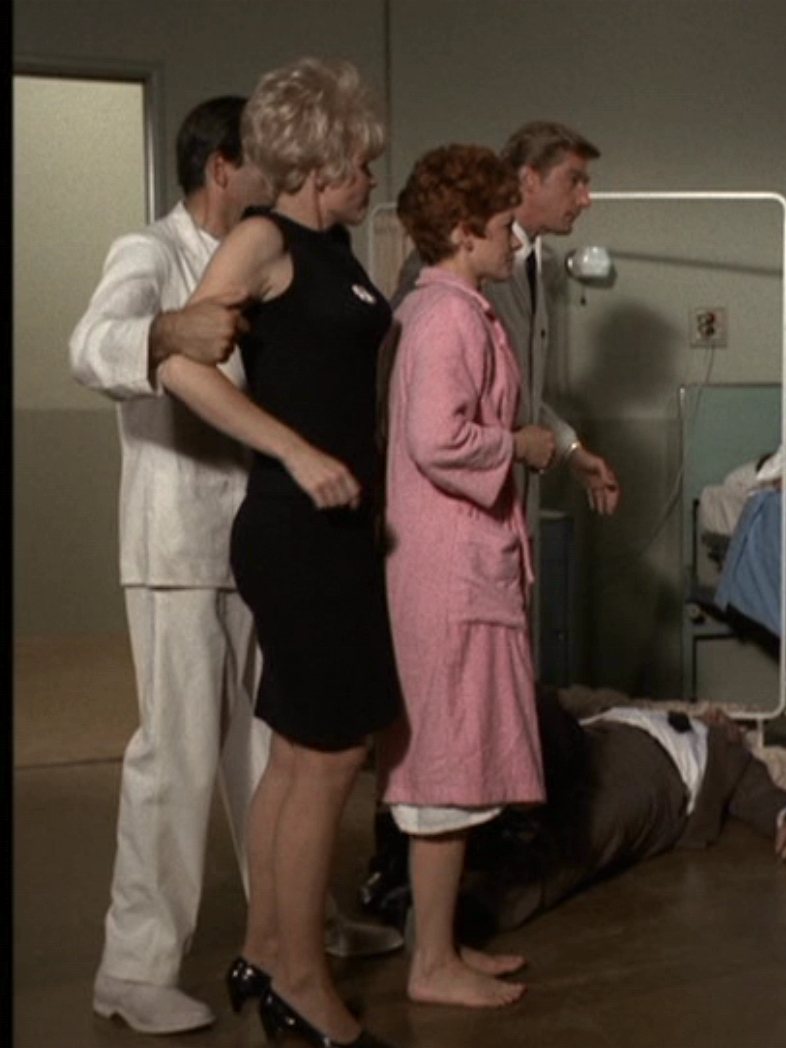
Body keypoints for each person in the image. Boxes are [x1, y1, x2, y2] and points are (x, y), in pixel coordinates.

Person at [155, 58, 401, 1048]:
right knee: (328, 757)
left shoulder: (336, 248)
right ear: (320, 159)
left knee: (301, 756)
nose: (371, 176)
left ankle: (265, 950)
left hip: (334, 534)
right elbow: (179, 364)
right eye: (361, 162)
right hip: (295, 529)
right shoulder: (262, 238)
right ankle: (302, 981)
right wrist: (295, 452)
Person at [70, 94, 273, 1037]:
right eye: (264, 165)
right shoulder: (149, 251)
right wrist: (163, 334)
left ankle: (284, 929)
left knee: (266, 751)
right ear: (223, 167)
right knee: (177, 759)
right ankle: (133, 968)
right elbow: (87, 345)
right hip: (177, 544)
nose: (276, 183)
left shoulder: (259, 258)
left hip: (251, 542)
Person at [377, 143, 557, 1009]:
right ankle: (431, 966)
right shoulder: (446, 318)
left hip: (458, 563)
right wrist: (518, 445)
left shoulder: (455, 309)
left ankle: (442, 945)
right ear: (461, 232)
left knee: (459, 761)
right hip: (446, 572)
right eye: (502, 226)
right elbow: (435, 438)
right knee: (444, 773)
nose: (514, 240)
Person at [362, 687, 786, 938]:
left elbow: (763, 794)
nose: (726, 719)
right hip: (594, 743)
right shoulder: (637, 707)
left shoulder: (728, 754)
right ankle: (409, 840)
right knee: (528, 714)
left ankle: (466, 914)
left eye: (732, 722)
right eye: (723, 715)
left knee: (581, 837)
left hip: (661, 780)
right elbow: (566, 699)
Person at [393, 121, 620, 529]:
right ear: (529, 179)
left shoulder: (535, 265)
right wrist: (516, 446)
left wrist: (567, 448)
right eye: (574, 181)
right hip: (453, 515)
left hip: (504, 510)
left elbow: (514, 390)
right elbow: (425, 410)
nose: (585, 199)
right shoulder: (449, 274)